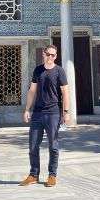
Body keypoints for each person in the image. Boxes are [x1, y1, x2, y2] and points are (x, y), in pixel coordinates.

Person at [19, 44, 71, 188]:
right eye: (48, 54)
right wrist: (27, 109)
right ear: (43, 54)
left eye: (53, 55)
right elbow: (32, 91)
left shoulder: (59, 71)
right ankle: (33, 175)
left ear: (56, 56)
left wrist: (65, 113)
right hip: (37, 113)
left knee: (53, 146)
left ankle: (52, 175)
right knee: (33, 145)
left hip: (53, 113)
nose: (50, 57)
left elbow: (65, 93)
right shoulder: (38, 70)